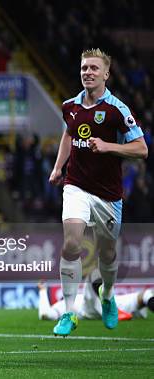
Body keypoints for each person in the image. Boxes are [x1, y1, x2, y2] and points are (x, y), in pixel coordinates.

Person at [48, 48, 148, 336]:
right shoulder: (70, 106)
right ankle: (69, 312)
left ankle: (107, 295)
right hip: (76, 185)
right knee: (72, 244)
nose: (87, 73)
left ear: (106, 74)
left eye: (93, 68)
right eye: (83, 68)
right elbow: (68, 134)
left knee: (107, 255)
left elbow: (142, 149)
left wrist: (108, 147)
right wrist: (58, 168)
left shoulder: (118, 109)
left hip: (108, 195)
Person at [38, 271, 154, 321]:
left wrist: (42, 290)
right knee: (92, 277)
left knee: (145, 294)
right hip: (90, 309)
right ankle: (108, 307)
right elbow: (45, 314)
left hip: (112, 303)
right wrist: (43, 291)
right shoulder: (61, 305)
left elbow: (44, 314)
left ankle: (111, 308)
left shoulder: (65, 302)